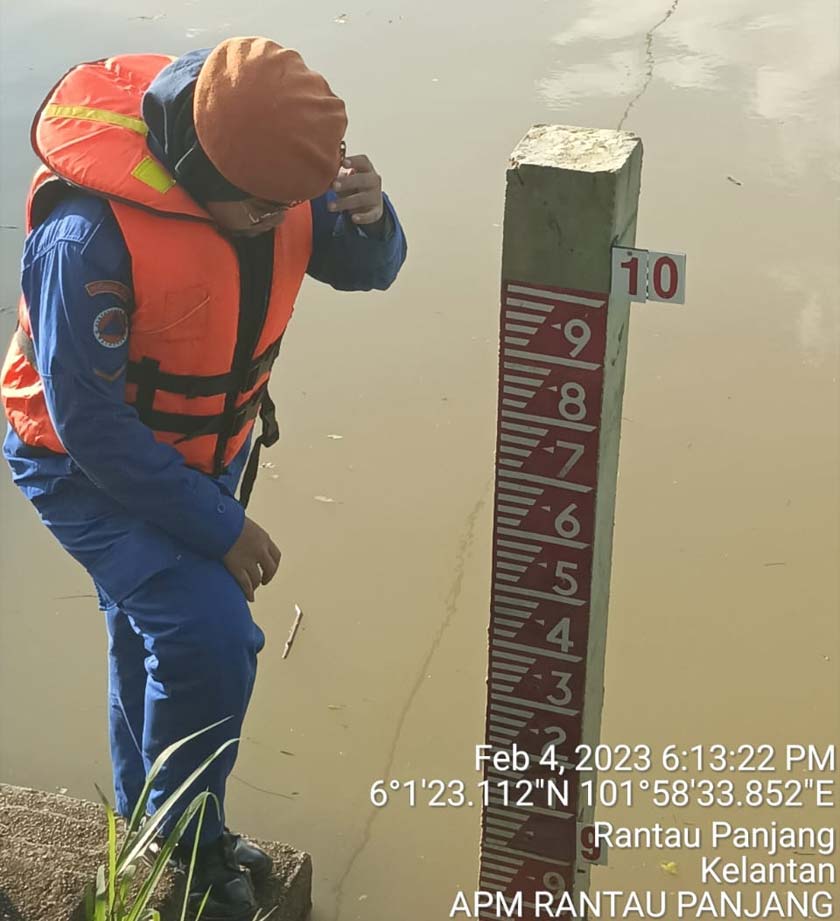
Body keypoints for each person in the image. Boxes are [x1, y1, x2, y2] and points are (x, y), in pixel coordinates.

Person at [1, 37, 406, 919]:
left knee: (151, 632)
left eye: (293, 203)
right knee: (212, 636)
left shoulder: (269, 177)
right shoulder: (87, 238)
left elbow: (367, 268)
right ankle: (186, 842)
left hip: (203, 450)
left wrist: (374, 222)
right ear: (196, 165)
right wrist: (223, 529)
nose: (284, 220)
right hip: (82, 464)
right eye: (263, 209)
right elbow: (92, 428)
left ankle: (146, 822)